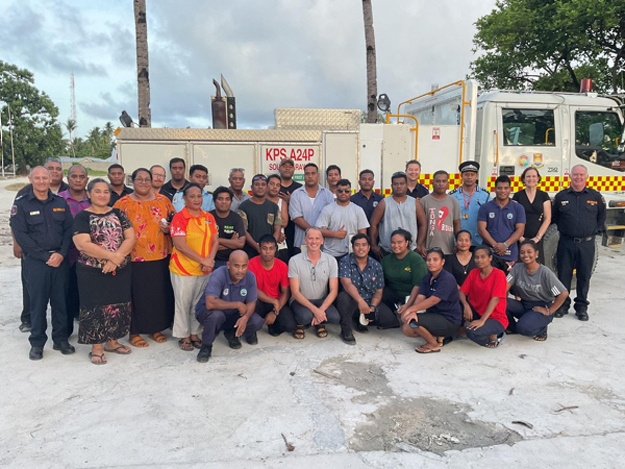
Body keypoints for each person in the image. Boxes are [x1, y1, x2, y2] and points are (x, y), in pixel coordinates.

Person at [10, 166, 75, 360]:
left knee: (60, 301)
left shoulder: (60, 202)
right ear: (30, 179)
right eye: (37, 178)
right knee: (37, 304)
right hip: (36, 262)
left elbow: (68, 230)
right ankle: (37, 342)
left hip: (59, 260)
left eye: (44, 178)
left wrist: (62, 254)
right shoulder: (21, 205)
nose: (41, 181)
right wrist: (44, 256)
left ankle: (61, 339)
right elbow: (21, 235)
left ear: (50, 179)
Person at [73, 179, 136, 364]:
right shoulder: (82, 217)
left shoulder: (118, 213)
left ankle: (112, 342)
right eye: (98, 191)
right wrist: (112, 257)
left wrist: (117, 259)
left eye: (106, 192)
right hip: (92, 271)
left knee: (117, 305)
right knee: (95, 307)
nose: (102, 195)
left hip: (119, 269)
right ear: (89, 194)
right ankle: (97, 347)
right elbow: (82, 244)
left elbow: (131, 237)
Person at [114, 168, 176, 348]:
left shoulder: (163, 200)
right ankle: (134, 332)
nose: (143, 182)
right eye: (139, 179)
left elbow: (174, 223)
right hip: (133, 258)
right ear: (132, 181)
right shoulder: (123, 203)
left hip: (160, 256)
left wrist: (169, 229)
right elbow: (115, 230)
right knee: (136, 296)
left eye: (147, 179)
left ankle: (155, 328)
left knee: (157, 294)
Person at [169, 183, 220, 351]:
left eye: (199, 196)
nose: (196, 199)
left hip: (204, 269)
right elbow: (181, 245)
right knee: (183, 303)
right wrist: (203, 260)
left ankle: (194, 333)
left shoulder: (208, 217)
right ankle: (184, 335)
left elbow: (215, 241)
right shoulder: (179, 218)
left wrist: (210, 260)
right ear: (184, 199)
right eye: (192, 196)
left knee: (198, 303)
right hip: (183, 269)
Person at [552, 164, 606, 321]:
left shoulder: (595, 197)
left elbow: (601, 216)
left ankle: (581, 307)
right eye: (575, 175)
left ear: (586, 177)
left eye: (581, 175)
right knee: (563, 275)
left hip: (586, 244)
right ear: (570, 176)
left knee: (584, 276)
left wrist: (594, 230)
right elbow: (554, 217)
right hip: (566, 242)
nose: (578, 177)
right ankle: (562, 305)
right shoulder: (561, 197)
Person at [195, 250, 265, 362]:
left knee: (256, 321)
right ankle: (206, 346)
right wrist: (237, 304)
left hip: (232, 314)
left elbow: (252, 302)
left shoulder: (250, 277)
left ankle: (231, 333)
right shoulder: (219, 274)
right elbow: (210, 303)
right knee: (216, 316)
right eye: (236, 266)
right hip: (210, 312)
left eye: (244, 266)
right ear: (228, 265)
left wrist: (245, 318)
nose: (240, 270)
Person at [288, 227, 353, 343]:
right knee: (304, 317)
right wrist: (316, 310)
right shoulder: (294, 260)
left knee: (335, 317)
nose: (314, 242)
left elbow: (333, 290)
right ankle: (301, 323)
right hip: (300, 300)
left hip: (321, 299)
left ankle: (318, 321)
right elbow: (295, 292)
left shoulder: (331, 260)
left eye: (317, 238)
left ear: (322, 241)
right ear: (305, 240)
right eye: (310, 238)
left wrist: (321, 310)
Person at [400, 248, 463, 353]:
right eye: (428, 260)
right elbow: (420, 297)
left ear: (442, 262)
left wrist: (411, 309)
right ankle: (439, 336)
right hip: (434, 315)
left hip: (449, 319)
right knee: (407, 327)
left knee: (413, 321)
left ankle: (433, 344)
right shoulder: (426, 278)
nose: (431, 263)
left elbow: (434, 300)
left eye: (435, 260)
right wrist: (412, 311)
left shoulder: (447, 278)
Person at [506, 240, 568, 341]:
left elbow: (563, 293)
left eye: (529, 252)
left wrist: (549, 311)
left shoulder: (545, 273)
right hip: (524, 304)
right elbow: (505, 286)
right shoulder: (517, 268)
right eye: (522, 252)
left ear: (536, 253)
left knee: (524, 328)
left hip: (541, 306)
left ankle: (541, 329)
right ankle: (512, 328)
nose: (526, 255)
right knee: (500, 302)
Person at [337, 234, 399, 333]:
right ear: (352, 247)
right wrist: (361, 302)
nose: (361, 248)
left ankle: (362, 320)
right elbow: (346, 284)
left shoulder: (376, 265)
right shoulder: (345, 261)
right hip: (352, 299)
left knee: (390, 321)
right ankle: (346, 329)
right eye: (357, 245)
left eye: (364, 245)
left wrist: (372, 307)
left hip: (369, 300)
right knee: (343, 297)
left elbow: (379, 290)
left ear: (369, 247)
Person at [58, 164, 90, 335]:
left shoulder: (94, 199)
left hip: (90, 257)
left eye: (81, 176)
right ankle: (65, 332)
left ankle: (89, 330)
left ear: (87, 179)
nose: (78, 180)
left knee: (88, 295)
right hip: (66, 255)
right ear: (67, 178)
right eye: (74, 176)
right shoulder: (58, 200)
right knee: (65, 295)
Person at [247, 234, 297, 336]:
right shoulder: (251, 264)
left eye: (271, 248)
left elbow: (285, 292)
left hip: (275, 302)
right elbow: (252, 289)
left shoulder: (282, 266)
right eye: (264, 248)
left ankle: (272, 324)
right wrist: (272, 301)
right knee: (249, 304)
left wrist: (275, 311)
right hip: (258, 301)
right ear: (259, 249)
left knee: (290, 326)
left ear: (275, 249)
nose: (268, 252)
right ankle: (251, 331)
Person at [459, 245, 508, 348]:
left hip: (495, 317)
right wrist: (466, 305)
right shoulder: (473, 273)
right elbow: (462, 292)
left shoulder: (499, 274)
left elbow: (495, 299)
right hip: (476, 312)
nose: (479, 260)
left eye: (482, 257)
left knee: (472, 333)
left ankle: (496, 335)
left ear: (490, 258)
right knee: (456, 304)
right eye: (476, 257)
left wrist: (483, 320)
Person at [369, 171, 426, 258]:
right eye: (395, 184)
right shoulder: (384, 203)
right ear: (392, 186)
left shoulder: (415, 203)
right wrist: (373, 245)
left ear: (406, 185)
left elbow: (423, 224)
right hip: (387, 250)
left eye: (401, 183)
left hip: (410, 250)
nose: (398, 186)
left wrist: (419, 244)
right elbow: (373, 224)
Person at [477, 175, 526, 272]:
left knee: (508, 285)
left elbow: (520, 230)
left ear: (510, 189)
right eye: (499, 188)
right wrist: (495, 245)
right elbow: (481, 229)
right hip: (489, 254)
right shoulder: (485, 207)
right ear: (495, 189)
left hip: (510, 254)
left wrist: (505, 245)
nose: (502, 191)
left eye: (505, 188)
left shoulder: (518, 208)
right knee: (489, 284)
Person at [317, 179, 369, 261]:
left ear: (351, 192)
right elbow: (319, 230)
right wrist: (335, 234)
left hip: (352, 254)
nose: (343, 193)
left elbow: (363, 233)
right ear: (336, 192)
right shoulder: (327, 209)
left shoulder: (358, 210)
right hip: (331, 254)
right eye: (340, 191)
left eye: (346, 191)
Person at [380, 229, 428, 315]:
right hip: (394, 295)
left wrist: (407, 304)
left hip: (412, 296)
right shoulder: (386, 260)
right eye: (393, 242)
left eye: (399, 242)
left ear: (406, 243)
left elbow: (418, 285)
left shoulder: (416, 259)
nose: (396, 245)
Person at [289, 163, 334, 252]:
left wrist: (317, 236)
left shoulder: (327, 194)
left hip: (323, 244)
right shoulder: (296, 194)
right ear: (304, 176)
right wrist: (315, 233)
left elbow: (331, 217)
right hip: (301, 243)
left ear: (318, 175)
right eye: (307, 174)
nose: (310, 176)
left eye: (313, 173)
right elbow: (296, 218)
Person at [513, 167, 552, 264]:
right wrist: (520, 237)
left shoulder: (544, 196)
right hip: (520, 239)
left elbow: (547, 218)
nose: (531, 179)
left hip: (537, 239)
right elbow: (512, 218)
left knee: (537, 268)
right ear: (524, 179)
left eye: (534, 176)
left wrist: (537, 237)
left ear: (538, 178)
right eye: (528, 176)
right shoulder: (517, 196)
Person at [237, 174, 282, 258]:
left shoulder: (274, 207)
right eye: (257, 184)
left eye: (263, 184)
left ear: (267, 187)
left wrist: (270, 247)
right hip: (251, 252)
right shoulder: (243, 207)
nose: (260, 187)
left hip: (271, 254)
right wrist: (258, 247)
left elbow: (277, 228)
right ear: (252, 187)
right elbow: (243, 230)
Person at [449, 160, 491, 246]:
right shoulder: (453, 196)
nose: (469, 177)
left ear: (476, 176)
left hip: (479, 240)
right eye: (466, 175)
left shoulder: (485, 195)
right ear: (462, 176)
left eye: (472, 175)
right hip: (459, 241)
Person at [419, 170, 461, 254]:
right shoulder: (424, 201)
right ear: (432, 183)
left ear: (448, 184)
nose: (441, 184)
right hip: (428, 250)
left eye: (444, 181)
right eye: (438, 181)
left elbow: (456, 224)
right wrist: (420, 244)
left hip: (448, 250)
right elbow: (419, 225)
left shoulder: (453, 201)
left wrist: (457, 244)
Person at [210, 186, 246, 269]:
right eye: (220, 199)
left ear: (231, 201)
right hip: (212, 261)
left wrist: (216, 240)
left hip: (233, 262)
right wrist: (232, 242)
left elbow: (240, 243)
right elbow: (206, 245)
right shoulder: (208, 218)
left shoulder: (236, 218)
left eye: (227, 199)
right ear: (214, 201)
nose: (224, 202)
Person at [278, 158, 302, 258]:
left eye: (290, 167)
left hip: (296, 232)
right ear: (279, 169)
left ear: (294, 169)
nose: (287, 169)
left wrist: (291, 201)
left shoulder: (300, 188)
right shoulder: (274, 187)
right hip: (279, 232)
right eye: (284, 166)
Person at [266, 174, 289, 257]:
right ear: (266, 185)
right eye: (272, 184)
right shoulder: (260, 201)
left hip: (280, 244)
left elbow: (285, 222)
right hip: (262, 243)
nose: (274, 187)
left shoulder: (282, 202)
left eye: (277, 185)